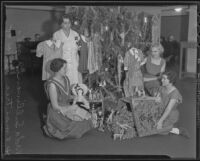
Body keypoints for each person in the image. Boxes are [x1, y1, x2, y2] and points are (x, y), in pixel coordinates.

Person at [43, 58, 96, 139]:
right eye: (64, 68)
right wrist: (71, 108)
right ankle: (57, 125)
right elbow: (55, 107)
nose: (66, 70)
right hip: (58, 112)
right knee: (74, 126)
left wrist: (80, 98)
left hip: (67, 107)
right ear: (58, 70)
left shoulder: (66, 79)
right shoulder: (52, 85)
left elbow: (67, 96)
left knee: (88, 119)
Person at [152, 71, 189, 138]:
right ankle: (168, 126)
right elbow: (156, 100)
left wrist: (160, 122)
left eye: (164, 78)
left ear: (170, 81)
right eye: (162, 78)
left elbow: (168, 109)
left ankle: (178, 130)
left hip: (170, 114)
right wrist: (156, 99)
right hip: (161, 111)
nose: (162, 80)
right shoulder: (161, 87)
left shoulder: (175, 93)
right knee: (151, 126)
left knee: (158, 130)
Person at [53, 14, 82, 85]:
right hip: (63, 65)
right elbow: (55, 51)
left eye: (69, 23)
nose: (68, 25)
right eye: (65, 23)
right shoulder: (56, 35)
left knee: (77, 84)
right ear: (61, 24)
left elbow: (79, 47)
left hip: (75, 63)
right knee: (65, 84)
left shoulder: (75, 34)